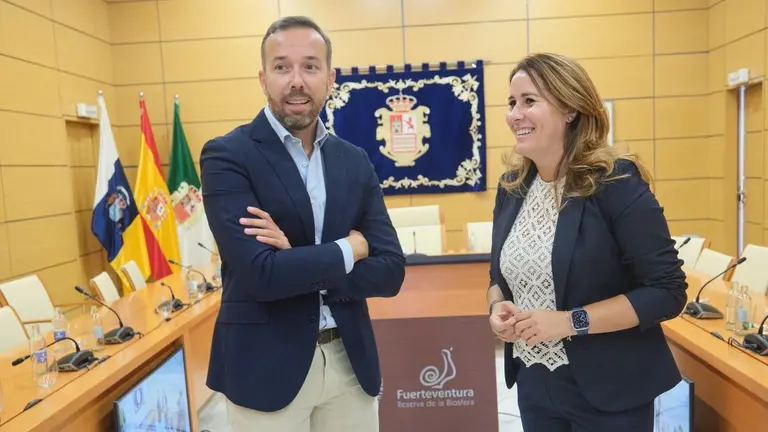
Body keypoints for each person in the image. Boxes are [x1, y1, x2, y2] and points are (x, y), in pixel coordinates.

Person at [199, 16, 405, 432]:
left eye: (310, 66)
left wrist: (295, 259)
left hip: (349, 365)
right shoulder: (227, 157)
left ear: (330, 78)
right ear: (262, 78)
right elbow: (260, 276)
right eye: (282, 67)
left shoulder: (354, 160)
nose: (296, 80)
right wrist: (349, 250)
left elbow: (391, 272)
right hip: (264, 368)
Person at [486, 53, 688, 431]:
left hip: (610, 390)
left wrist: (568, 322)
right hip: (535, 385)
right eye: (512, 103)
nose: (515, 114)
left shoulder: (616, 182)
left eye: (530, 101)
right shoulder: (511, 189)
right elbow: (498, 275)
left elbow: (667, 291)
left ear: (570, 110)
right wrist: (497, 308)